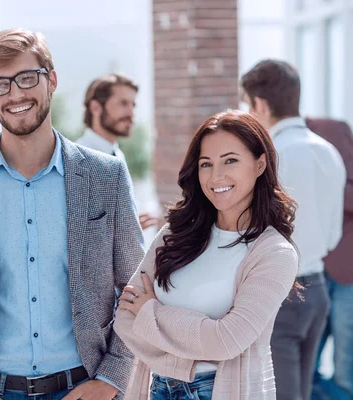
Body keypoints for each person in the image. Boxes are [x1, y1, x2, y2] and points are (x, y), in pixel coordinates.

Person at [0, 28, 145, 400]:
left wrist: (111, 378)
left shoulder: (107, 174)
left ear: (51, 80)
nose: (16, 94)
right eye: (0, 85)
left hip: (83, 388)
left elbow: (135, 286)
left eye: (27, 78)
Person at [114, 110, 299, 399]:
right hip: (158, 388)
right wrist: (201, 336)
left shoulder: (274, 254)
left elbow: (227, 341)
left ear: (260, 164)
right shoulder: (176, 232)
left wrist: (150, 312)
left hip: (217, 391)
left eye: (231, 160)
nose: (216, 176)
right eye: (206, 164)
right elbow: (125, 318)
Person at [241, 59, 346, 400]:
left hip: (279, 293)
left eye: (247, 105)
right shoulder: (329, 152)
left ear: (260, 103)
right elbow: (332, 236)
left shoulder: (270, 157)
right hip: (318, 290)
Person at [305, 118, 353, 399]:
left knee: (346, 365)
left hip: (347, 277)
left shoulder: (332, 132)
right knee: (308, 358)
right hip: (313, 274)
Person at [77, 74, 158, 230]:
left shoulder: (117, 154)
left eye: (133, 105)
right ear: (95, 108)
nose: (131, 113)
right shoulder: (78, 159)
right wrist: (124, 228)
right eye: (123, 103)